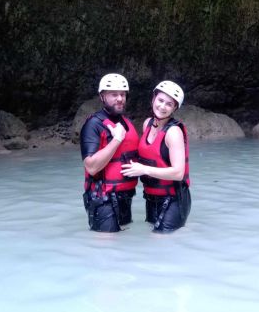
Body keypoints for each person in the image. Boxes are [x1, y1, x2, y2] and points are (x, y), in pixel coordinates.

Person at [121, 80, 191, 233]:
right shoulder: (147, 124)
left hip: (174, 199)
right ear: (153, 99)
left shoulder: (173, 133)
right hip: (152, 198)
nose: (162, 106)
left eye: (169, 104)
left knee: (160, 240)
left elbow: (178, 173)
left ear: (174, 108)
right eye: (160, 100)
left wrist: (143, 169)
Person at [80, 73, 139, 232]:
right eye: (114, 94)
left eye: (122, 94)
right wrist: (117, 140)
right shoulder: (93, 125)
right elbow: (91, 166)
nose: (120, 98)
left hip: (125, 195)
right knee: (107, 251)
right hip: (102, 198)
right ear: (102, 97)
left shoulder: (126, 122)